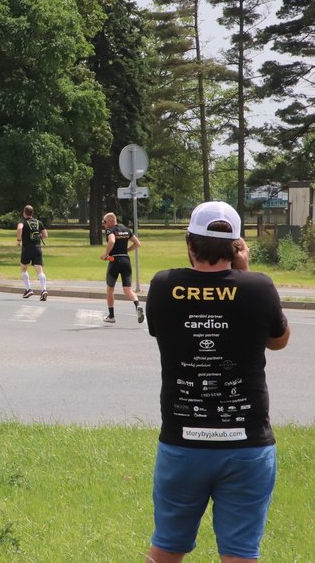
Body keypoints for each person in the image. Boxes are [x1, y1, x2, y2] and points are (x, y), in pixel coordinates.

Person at [144, 201, 290, 563]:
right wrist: (244, 273)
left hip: (183, 442)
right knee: (241, 553)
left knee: (166, 547)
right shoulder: (258, 287)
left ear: (189, 243)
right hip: (247, 444)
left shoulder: (164, 285)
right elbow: (279, 340)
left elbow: (161, 330)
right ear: (236, 245)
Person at [101, 211, 144, 324]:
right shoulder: (125, 229)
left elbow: (112, 240)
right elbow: (137, 243)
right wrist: (126, 251)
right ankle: (137, 305)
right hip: (126, 260)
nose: (104, 225)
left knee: (110, 289)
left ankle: (111, 316)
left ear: (110, 221)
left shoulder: (111, 230)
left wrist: (106, 254)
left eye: (104, 222)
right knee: (128, 290)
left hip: (114, 260)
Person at [16, 205, 49, 300]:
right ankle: (44, 290)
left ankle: (28, 289)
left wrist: (19, 240)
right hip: (37, 249)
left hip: (27, 249)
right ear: (32, 213)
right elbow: (45, 235)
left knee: (23, 269)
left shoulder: (23, 222)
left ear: (24, 213)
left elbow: (19, 228)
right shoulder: (39, 222)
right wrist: (38, 238)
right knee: (39, 271)